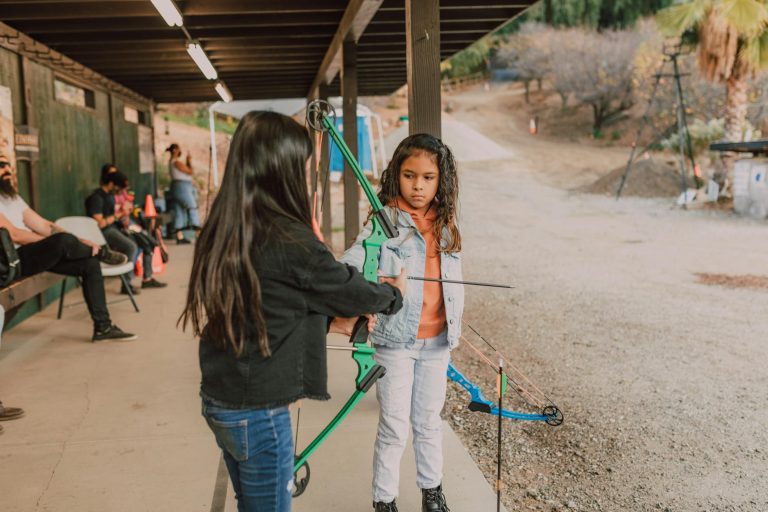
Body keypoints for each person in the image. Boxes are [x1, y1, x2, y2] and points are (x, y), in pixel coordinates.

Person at [180, 111, 407, 512]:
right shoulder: (289, 236)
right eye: (301, 167)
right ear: (280, 170)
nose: (305, 177)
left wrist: (329, 323)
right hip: (258, 412)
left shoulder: (230, 225)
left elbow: (263, 306)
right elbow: (346, 288)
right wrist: (392, 295)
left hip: (221, 397)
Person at [341, 134, 463, 512]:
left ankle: (432, 494)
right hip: (395, 342)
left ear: (441, 180)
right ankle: (385, 501)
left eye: (428, 177)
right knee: (394, 427)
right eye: (410, 176)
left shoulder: (445, 221)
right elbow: (352, 259)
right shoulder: (384, 220)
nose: (419, 186)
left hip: (438, 342)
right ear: (397, 175)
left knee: (428, 422)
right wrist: (368, 275)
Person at [0, 154, 136, 342]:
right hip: (13, 259)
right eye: (1, 165)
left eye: (8, 165)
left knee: (89, 264)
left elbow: (45, 225)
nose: (7, 169)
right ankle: (102, 253)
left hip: (34, 253)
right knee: (62, 241)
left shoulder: (11, 197)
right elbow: (14, 235)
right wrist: (58, 242)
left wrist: (79, 240)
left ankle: (103, 328)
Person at [85, 170, 166, 294]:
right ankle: (126, 284)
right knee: (131, 246)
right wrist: (120, 214)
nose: (121, 191)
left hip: (116, 227)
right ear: (111, 184)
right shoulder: (96, 198)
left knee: (147, 243)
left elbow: (114, 215)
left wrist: (124, 214)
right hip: (104, 232)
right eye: (119, 188)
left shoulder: (109, 196)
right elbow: (100, 224)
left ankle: (147, 278)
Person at [166, 143, 200, 244]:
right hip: (181, 187)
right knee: (192, 207)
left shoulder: (172, 162)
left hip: (178, 187)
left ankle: (179, 236)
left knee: (179, 211)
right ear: (175, 150)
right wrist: (189, 161)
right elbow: (190, 171)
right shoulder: (176, 162)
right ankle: (198, 232)